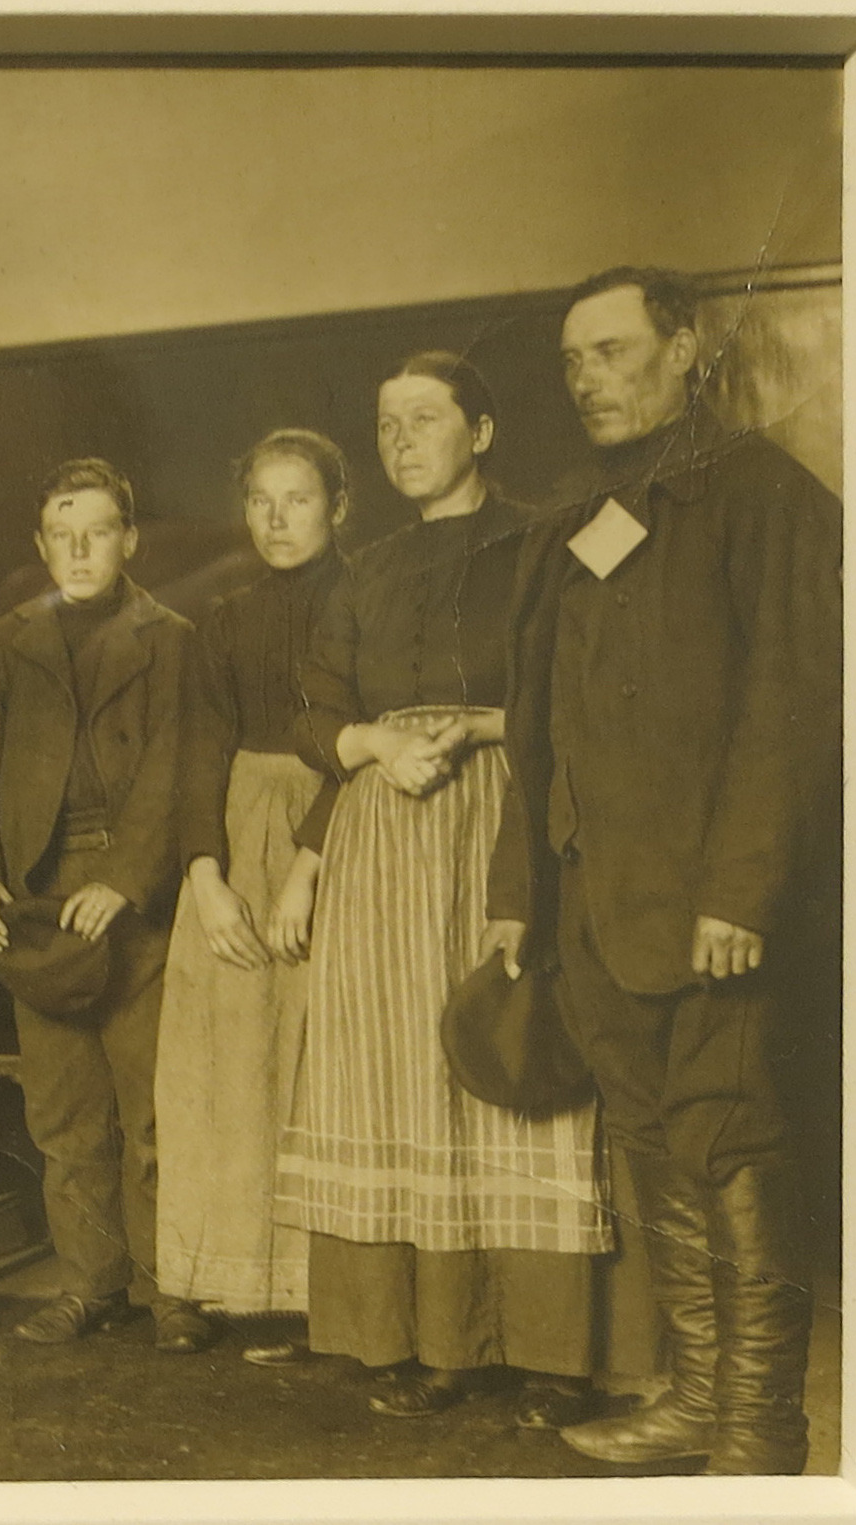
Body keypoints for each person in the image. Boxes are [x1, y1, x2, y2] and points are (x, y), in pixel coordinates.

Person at [485, 268, 842, 1475]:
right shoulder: (573, 513)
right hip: (594, 902)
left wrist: (740, 891)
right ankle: (693, 1397)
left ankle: (758, 1432)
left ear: (685, 348)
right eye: (571, 359)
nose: (586, 377)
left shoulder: (763, 494)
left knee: (730, 1144)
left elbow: (793, 706)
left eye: (612, 349)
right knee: (647, 1137)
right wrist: (518, 893)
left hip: (710, 909)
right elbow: (531, 722)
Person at [273, 352, 609, 1428]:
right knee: (402, 1078)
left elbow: (585, 688)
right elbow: (312, 707)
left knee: (506, 1055)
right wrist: (372, 742)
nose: (402, 440)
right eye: (387, 424)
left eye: (424, 418)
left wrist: (478, 725)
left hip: (504, 820)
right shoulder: (363, 570)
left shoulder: (545, 539)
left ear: (482, 430)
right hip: (382, 840)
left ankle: (553, 1356)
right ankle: (437, 1344)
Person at [0, 457, 206, 1347]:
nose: (80, 550)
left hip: (135, 904)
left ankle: (174, 1290)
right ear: (40, 545)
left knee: (153, 1111)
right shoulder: (10, 638)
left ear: (130, 539)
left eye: (97, 532)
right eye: (61, 536)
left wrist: (126, 878)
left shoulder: (171, 636)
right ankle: (92, 1284)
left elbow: (175, 768)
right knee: (62, 1113)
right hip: (39, 901)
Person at [154, 430, 348, 1360]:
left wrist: (312, 857)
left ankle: (329, 1291)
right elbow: (199, 749)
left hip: (340, 832)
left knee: (322, 1055)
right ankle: (214, 1277)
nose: (276, 519)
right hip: (235, 842)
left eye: (298, 498)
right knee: (219, 1060)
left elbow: (366, 740)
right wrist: (206, 876)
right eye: (260, 500)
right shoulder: (223, 620)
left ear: (339, 508)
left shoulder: (369, 601)